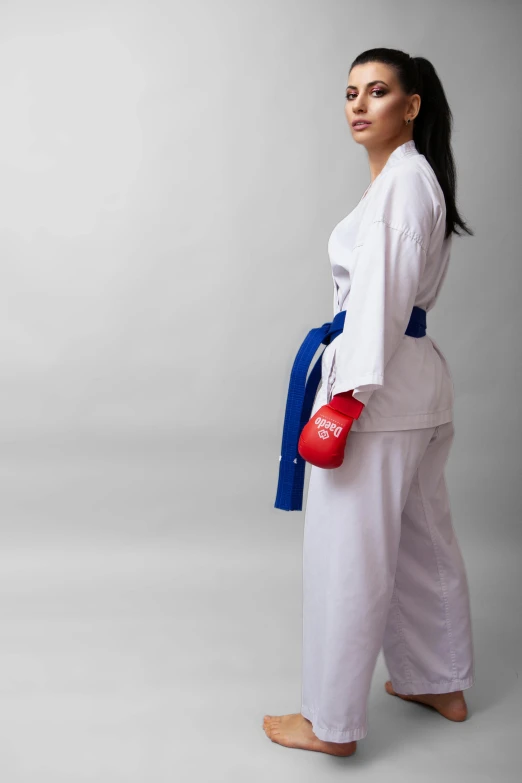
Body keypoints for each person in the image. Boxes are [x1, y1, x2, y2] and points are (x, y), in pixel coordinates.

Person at [265, 48, 476, 757]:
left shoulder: (399, 188)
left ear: (410, 106)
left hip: (377, 391)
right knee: (420, 540)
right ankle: (438, 678)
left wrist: (345, 401)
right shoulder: (413, 179)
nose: (359, 104)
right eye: (351, 92)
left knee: (348, 555)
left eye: (378, 91)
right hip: (417, 386)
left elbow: (378, 303)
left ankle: (330, 722)